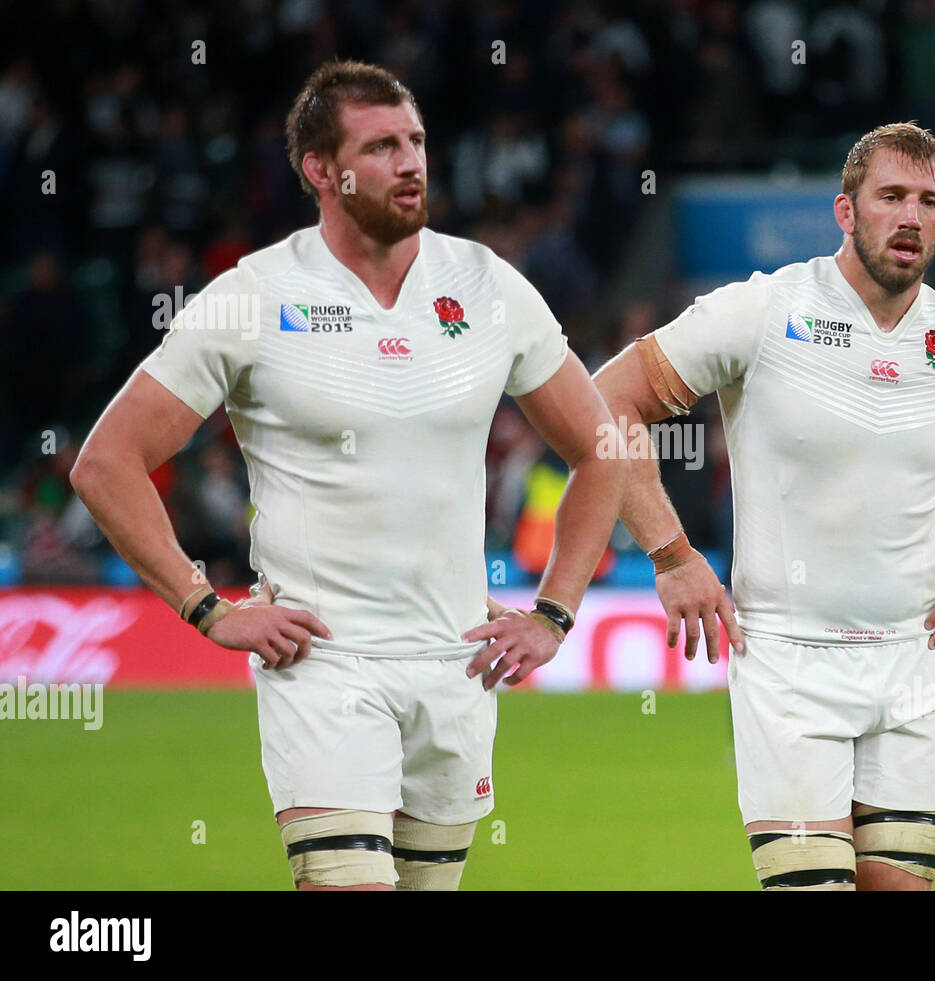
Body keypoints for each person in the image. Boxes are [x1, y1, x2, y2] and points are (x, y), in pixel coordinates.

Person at [70, 60, 626, 891]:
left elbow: (603, 447)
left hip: (457, 665)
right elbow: (105, 461)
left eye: (417, 142)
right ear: (321, 172)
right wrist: (206, 605)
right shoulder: (254, 294)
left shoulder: (485, 284)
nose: (411, 163)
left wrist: (554, 611)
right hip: (324, 668)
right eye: (382, 147)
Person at [594, 122, 935, 891]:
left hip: (921, 659)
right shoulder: (764, 310)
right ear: (846, 211)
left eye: (931, 201)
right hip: (788, 659)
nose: (912, 216)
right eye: (892, 197)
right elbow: (607, 402)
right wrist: (671, 555)